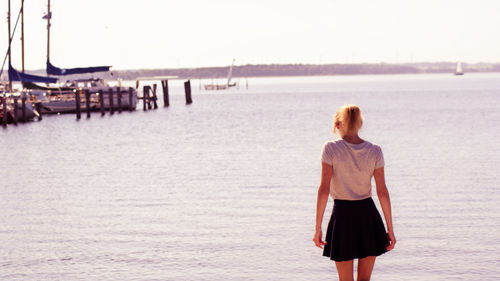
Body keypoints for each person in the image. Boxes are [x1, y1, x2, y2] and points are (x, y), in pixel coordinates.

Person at [313, 104, 396, 281]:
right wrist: (390, 229)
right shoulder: (375, 150)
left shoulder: (330, 148)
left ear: (337, 125)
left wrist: (318, 227)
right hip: (368, 216)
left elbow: (324, 190)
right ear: (360, 124)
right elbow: (382, 192)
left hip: (342, 217)